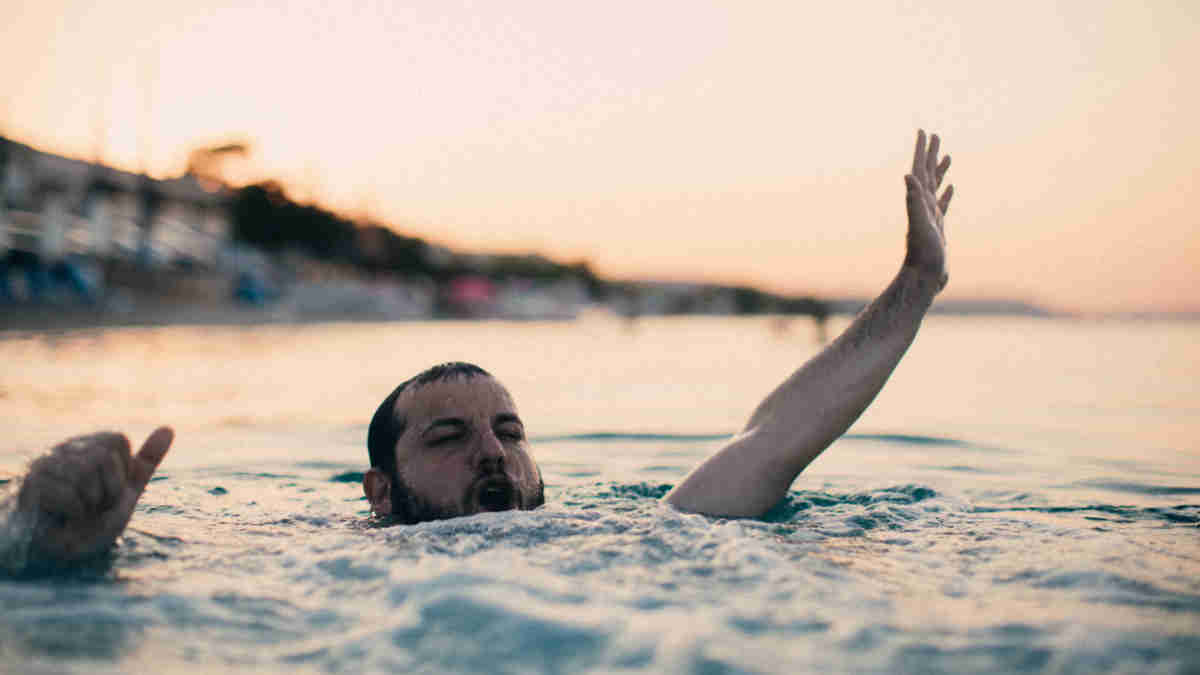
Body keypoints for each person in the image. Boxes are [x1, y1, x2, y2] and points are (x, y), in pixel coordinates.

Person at [4, 130, 954, 566]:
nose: (494, 450)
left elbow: (771, 440)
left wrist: (913, 289)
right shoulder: (308, 560)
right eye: (450, 437)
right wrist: (50, 541)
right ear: (379, 493)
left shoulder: (616, 541)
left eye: (507, 428)